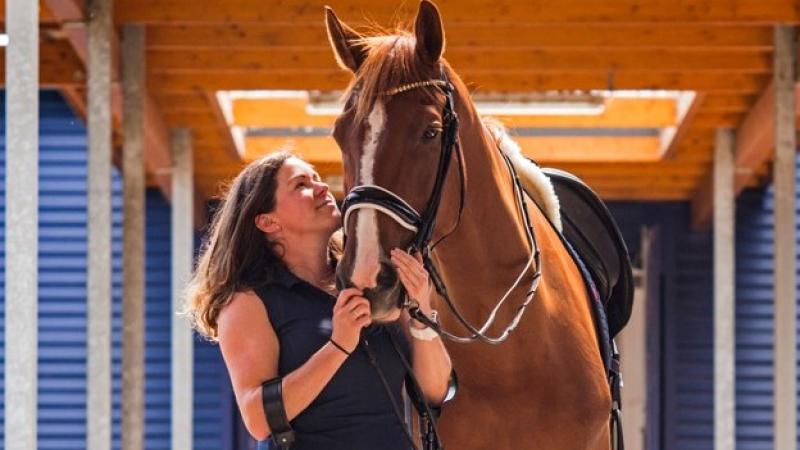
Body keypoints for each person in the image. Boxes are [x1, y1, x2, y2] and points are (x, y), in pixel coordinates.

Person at [184, 151, 453, 450]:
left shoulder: (368, 281)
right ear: (267, 222)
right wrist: (338, 346)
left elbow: (435, 392)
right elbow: (258, 419)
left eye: (316, 178)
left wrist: (421, 312)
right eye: (301, 185)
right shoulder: (247, 301)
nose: (322, 187)